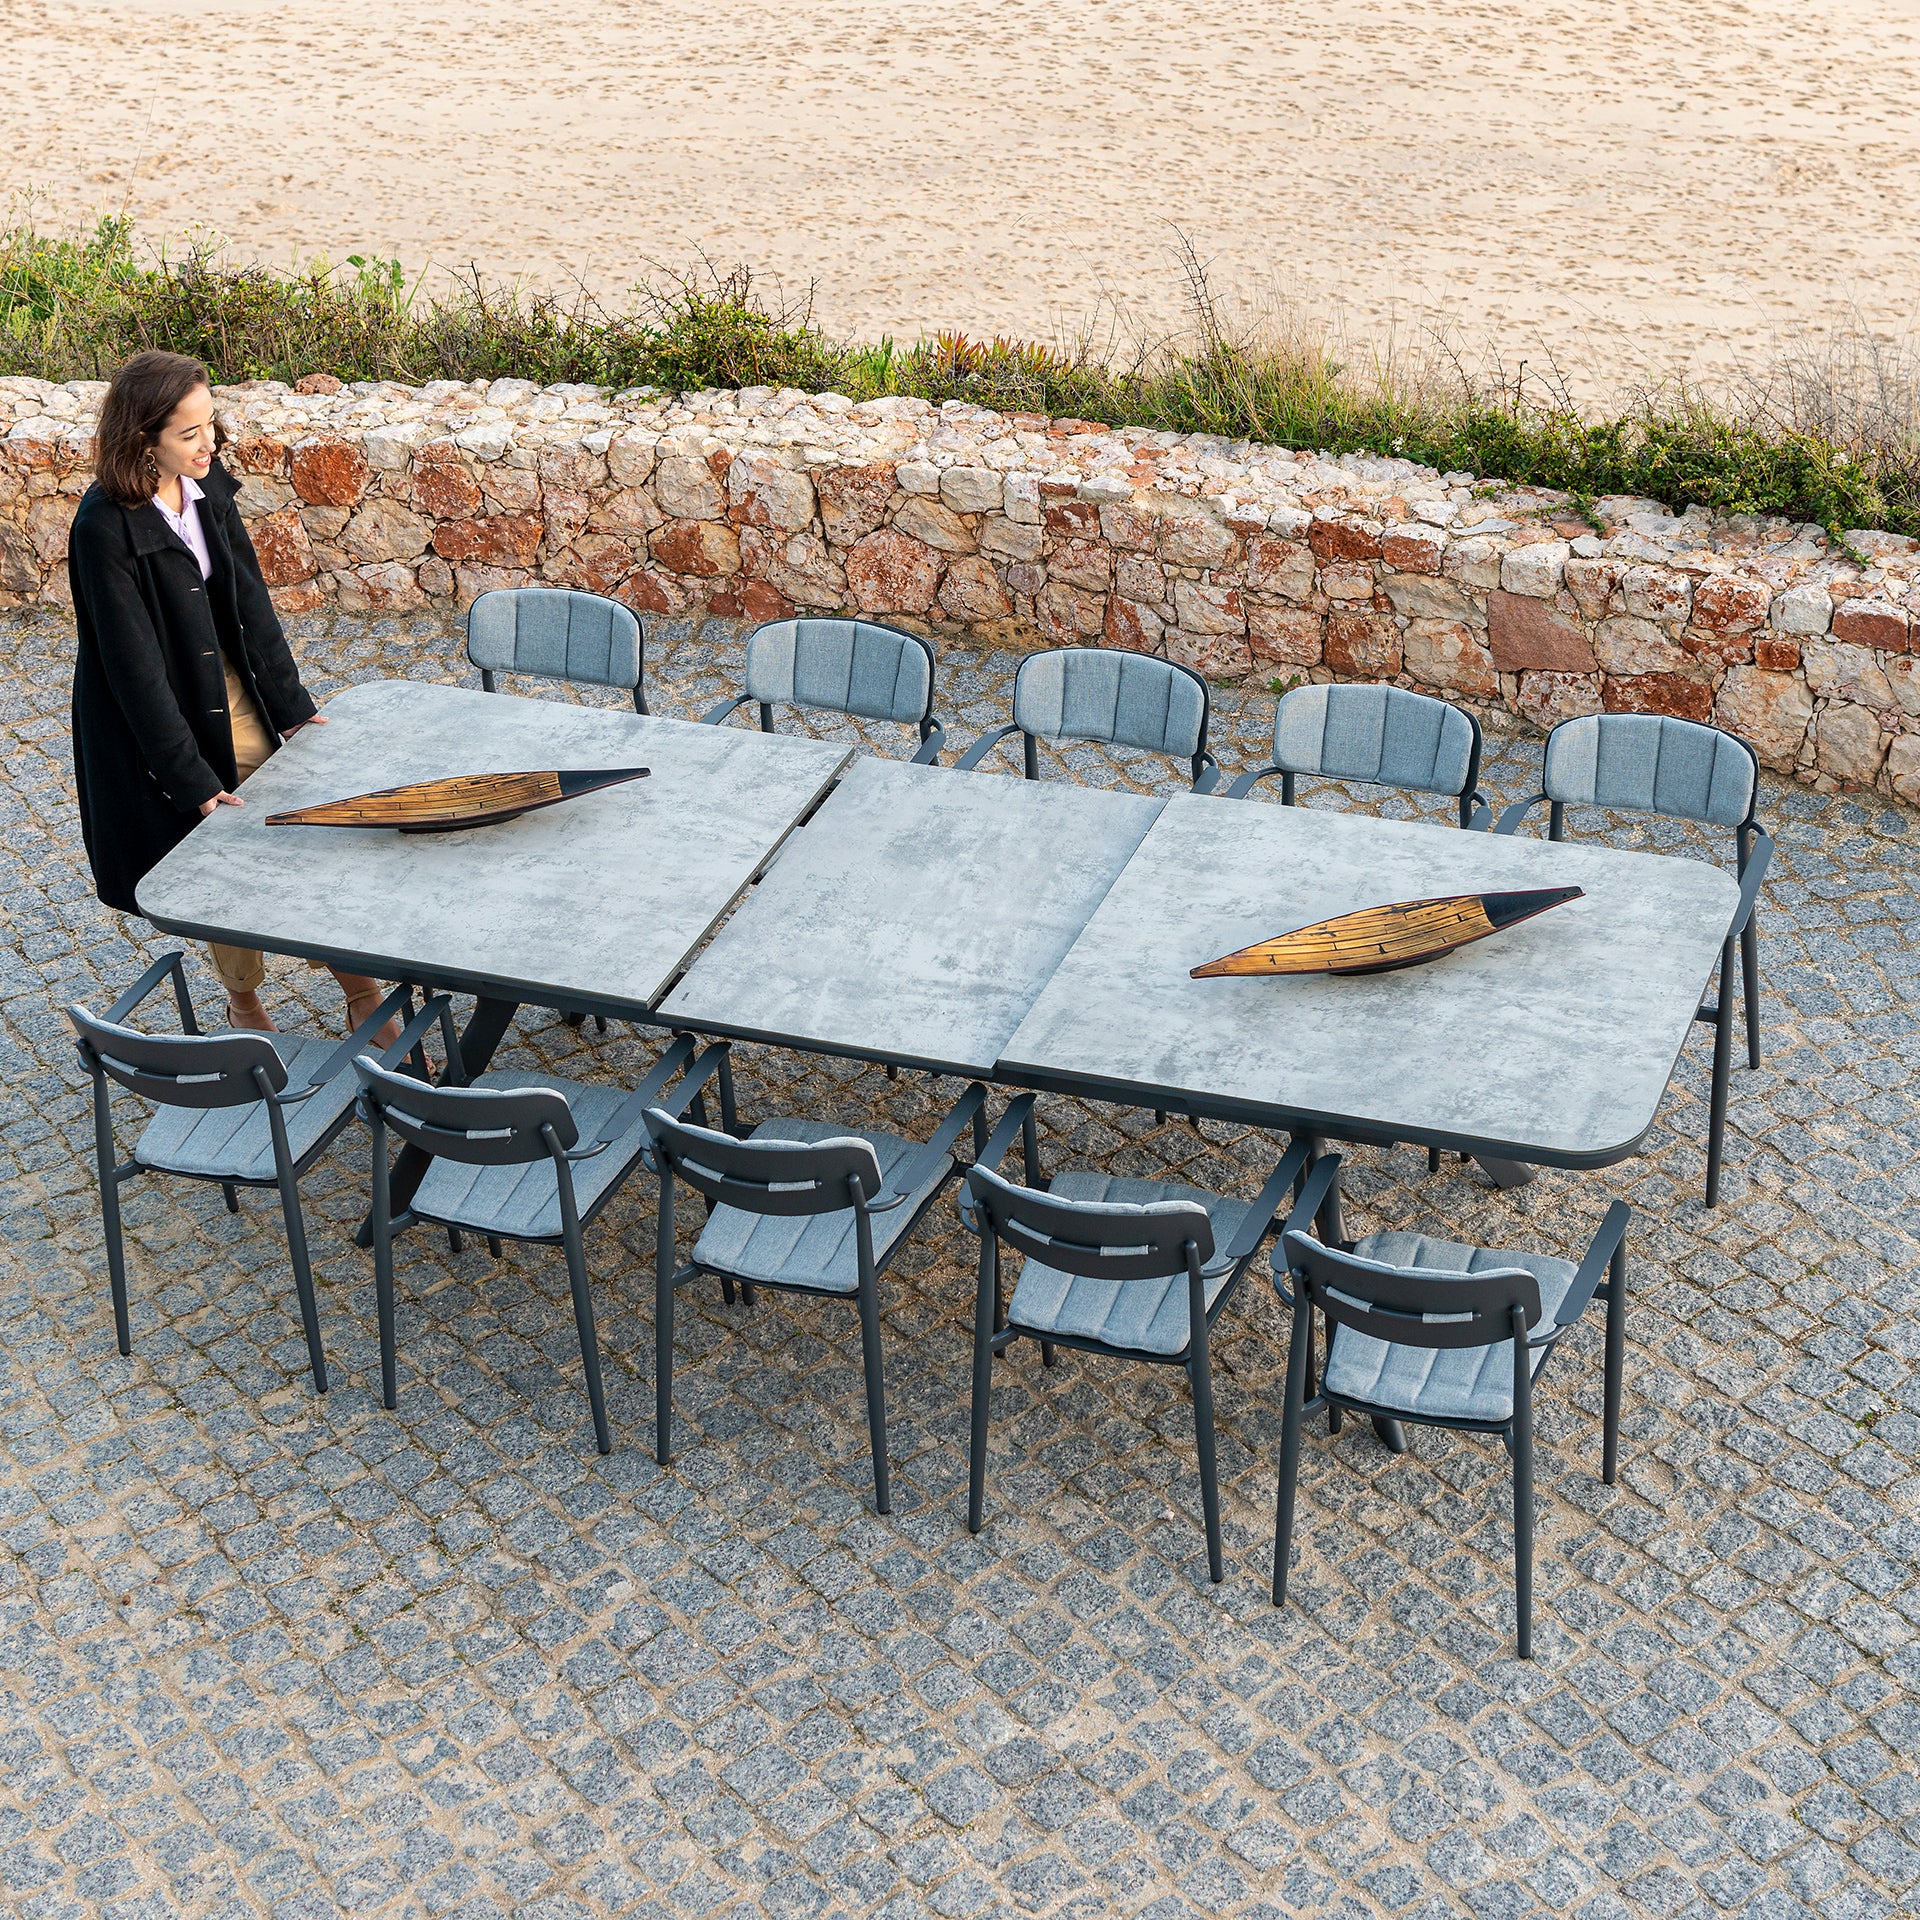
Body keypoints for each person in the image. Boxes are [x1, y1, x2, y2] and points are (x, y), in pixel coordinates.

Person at [68, 350, 394, 1037]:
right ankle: (245, 1000)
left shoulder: (208, 487)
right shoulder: (103, 529)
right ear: (141, 440)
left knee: (302, 837)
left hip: (232, 689)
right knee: (226, 856)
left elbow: (251, 605)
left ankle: (359, 991)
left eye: (210, 424)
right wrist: (188, 777)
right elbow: (133, 673)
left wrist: (295, 710)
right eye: (188, 434)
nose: (208, 443)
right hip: (161, 718)